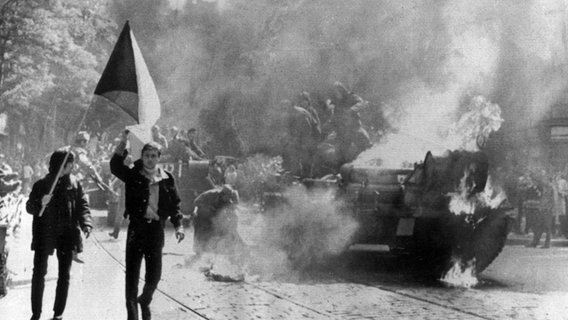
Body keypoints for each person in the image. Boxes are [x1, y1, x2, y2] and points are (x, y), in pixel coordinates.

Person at [110, 130, 185, 320]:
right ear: (142, 157)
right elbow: (115, 166)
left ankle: (144, 301)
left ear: (159, 158)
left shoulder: (167, 179)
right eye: (146, 156)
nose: (150, 159)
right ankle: (133, 316)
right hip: (137, 228)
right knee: (132, 276)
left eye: (153, 156)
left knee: (154, 276)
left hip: (155, 230)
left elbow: (175, 205)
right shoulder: (134, 174)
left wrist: (179, 226)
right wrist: (123, 140)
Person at [26, 149, 92, 320]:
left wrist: (86, 224)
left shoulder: (75, 184)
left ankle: (58, 313)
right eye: (71, 163)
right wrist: (40, 201)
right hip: (44, 234)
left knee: (65, 274)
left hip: (66, 234)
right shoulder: (42, 184)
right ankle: (36, 313)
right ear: (64, 165)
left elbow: (82, 207)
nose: (73, 166)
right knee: (39, 273)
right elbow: (29, 207)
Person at [190, 184, 242, 257]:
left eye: (230, 197)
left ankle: (215, 249)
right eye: (227, 197)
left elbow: (233, 211)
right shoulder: (211, 194)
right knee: (200, 233)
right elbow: (196, 202)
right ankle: (198, 250)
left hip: (212, 217)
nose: (228, 199)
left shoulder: (227, 200)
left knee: (219, 229)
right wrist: (200, 209)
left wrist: (232, 225)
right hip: (201, 216)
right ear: (222, 194)